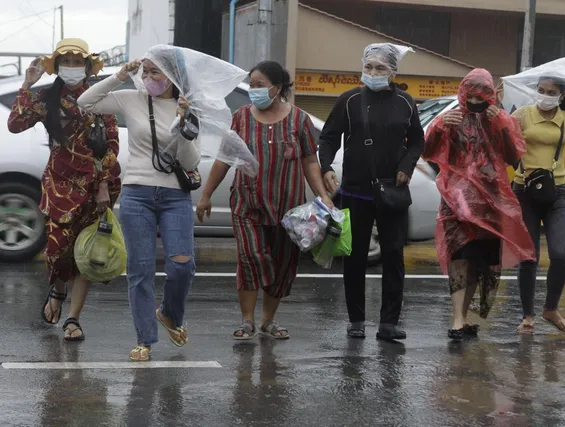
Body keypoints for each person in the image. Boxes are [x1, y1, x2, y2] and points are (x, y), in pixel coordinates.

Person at [78, 47, 202, 361]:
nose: (147, 78)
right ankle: (144, 339)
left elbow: (190, 160)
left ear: (173, 76)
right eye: (144, 72)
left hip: (175, 195)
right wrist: (119, 76)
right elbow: (85, 102)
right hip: (137, 195)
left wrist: (184, 123)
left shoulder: (187, 108)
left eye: (155, 72)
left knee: (182, 266)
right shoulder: (131, 98)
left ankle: (170, 314)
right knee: (140, 270)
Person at [196, 61, 332, 340]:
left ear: (277, 88)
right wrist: (206, 195)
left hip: (289, 209)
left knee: (283, 263)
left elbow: (309, 161)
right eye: (252, 85)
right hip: (248, 204)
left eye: (260, 85)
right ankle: (246, 320)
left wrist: (323, 196)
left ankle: (268, 320)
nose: (254, 90)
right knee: (251, 258)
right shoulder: (241, 118)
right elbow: (224, 158)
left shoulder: (299, 120)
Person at [7, 38, 121, 342]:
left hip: (97, 184)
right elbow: (15, 124)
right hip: (59, 184)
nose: (72, 68)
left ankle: (74, 319)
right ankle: (57, 288)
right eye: (65, 62)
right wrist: (28, 85)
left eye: (77, 62)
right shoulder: (47, 96)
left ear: (87, 66)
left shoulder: (100, 97)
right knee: (58, 251)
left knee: (87, 254)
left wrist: (103, 187)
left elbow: (111, 147)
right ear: (57, 67)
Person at [318, 43, 424, 341]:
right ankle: (356, 321)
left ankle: (389, 323)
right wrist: (326, 167)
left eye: (380, 68)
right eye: (369, 67)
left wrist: (407, 165)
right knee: (355, 257)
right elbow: (327, 139)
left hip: (393, 190)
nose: (374, 73)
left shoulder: (406, 102)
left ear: (392, 72)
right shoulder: (349, 100)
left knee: (393, 255)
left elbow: (417, 140)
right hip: (354, 190)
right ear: (362, 68)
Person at [423, 68, 536, 340]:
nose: (475, 102)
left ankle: (469, 316)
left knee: (482, 260)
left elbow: (512, 156)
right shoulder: (449, 118)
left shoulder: (500, 119)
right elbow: (427, 151)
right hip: (457, 199)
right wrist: (439, 127)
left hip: (491, 200)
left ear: (490, 96)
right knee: (460, 255)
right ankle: (457, 318)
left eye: (481, 96)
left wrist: (502, 125)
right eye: (470, 96)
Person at [512, 77, 565, 335]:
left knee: (561, 254)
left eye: (551, 92)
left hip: (557, 191)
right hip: (523, 191)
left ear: (561, 96)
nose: (545, 95)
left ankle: (550, 308)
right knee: (529, 256)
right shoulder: (522, 115)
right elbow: (501, 140)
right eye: (541, 91)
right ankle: (528, 315)